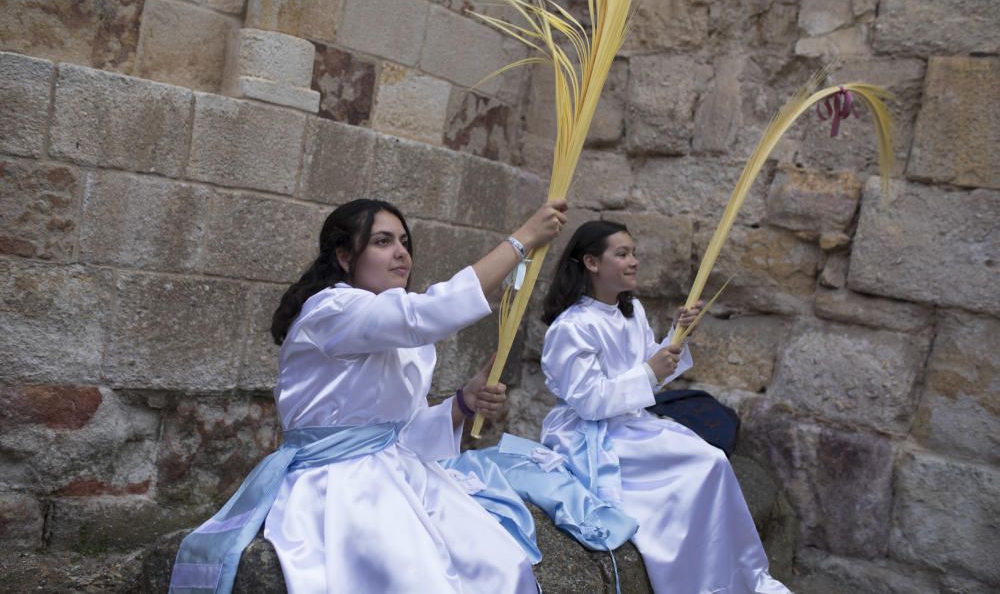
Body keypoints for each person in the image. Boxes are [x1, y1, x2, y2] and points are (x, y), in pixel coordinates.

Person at [170, 197, 566, 594]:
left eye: (404, 242)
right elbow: (427, 314)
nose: (401, 253)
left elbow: (401, 435)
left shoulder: (385, 324)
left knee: (500, 563)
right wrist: (523, 240)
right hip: (340, 482)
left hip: (397, 472)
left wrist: (464, 401)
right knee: (417, 579)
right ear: (345, 256)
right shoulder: (332, 310)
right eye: (382, 241)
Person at [538, 220, 791, 594]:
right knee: (699, 468)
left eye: (634, 252)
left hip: (629, 422)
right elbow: (589, 401)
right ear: (592, 263)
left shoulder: (631, 311)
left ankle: (736, 575)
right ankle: (696, 580)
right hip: (589, 432)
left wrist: (676, 335)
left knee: (713, 461)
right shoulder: (571, 327)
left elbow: (649, 368)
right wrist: (647, 373)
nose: (634, 261)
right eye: (622, 254)